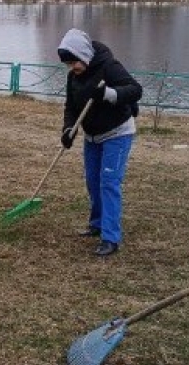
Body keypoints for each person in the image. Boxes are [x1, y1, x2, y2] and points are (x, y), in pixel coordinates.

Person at [57, 28, 143, 257]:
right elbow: (71, 107)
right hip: (92, 136)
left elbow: (136, 90)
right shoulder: (73, 77)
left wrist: (108, 93)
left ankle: (110, 238)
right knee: (93, 181)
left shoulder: (109, 66)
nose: (71, 68)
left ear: (83, 54)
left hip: (117, 132)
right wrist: (68, 130)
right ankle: (97, 224)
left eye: (74, 62)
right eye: (68, 64)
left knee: (108, 183)